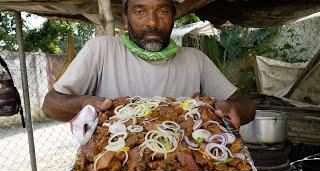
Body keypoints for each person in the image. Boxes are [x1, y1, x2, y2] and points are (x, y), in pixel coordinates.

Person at [42, 0, 256, 129]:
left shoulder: (195, 59)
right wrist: (85, 104)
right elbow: (51, 104)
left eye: (162, 11)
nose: (152, 22)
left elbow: (246, 105)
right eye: (140, 11)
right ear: (125, 18)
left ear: (174, 16)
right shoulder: (101, 50)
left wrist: (233, 108)